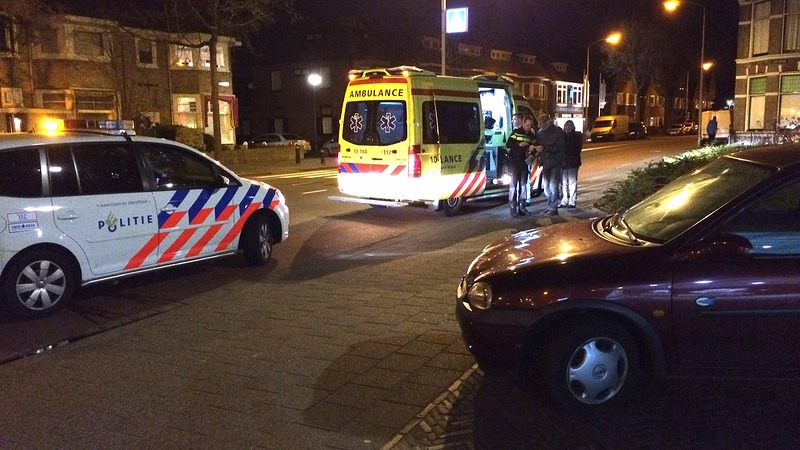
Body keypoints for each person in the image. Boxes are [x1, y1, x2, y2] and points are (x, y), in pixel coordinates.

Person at [533, 114, 566, 216]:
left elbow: (560, 147)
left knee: (553, 186)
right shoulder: (539, 133)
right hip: (545, 162)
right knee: (546, 187)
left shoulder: (558, 131)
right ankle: (550, 206)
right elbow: (537, 144)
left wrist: (545, 148)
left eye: (543, 123)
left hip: (555, 162)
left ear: (548, 122)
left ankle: (553, 208)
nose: (541, 126)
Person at [505, 113, 536, 216]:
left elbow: (534, 146)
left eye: (530, 125)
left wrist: (532, 153)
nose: (529, 127)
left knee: (523, 185)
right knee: (513, 185)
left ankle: (522, 207)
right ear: (523, 123)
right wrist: (519, 144)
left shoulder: (531, 135)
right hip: (514, 162)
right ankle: (512, 207)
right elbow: (508, 144)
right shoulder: (516, 133)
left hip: (524, 163)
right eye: (527, 125)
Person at [559, 120, 582, 209]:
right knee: (564, 183)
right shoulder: (562, 136)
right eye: (566, 126)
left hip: (573, 163)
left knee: (572, 182)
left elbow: (577, 149)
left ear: (572, 127)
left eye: (569, 126)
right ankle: (564, 200)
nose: (567, 128)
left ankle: (572, 201)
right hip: (564, 163)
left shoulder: (576, 136)